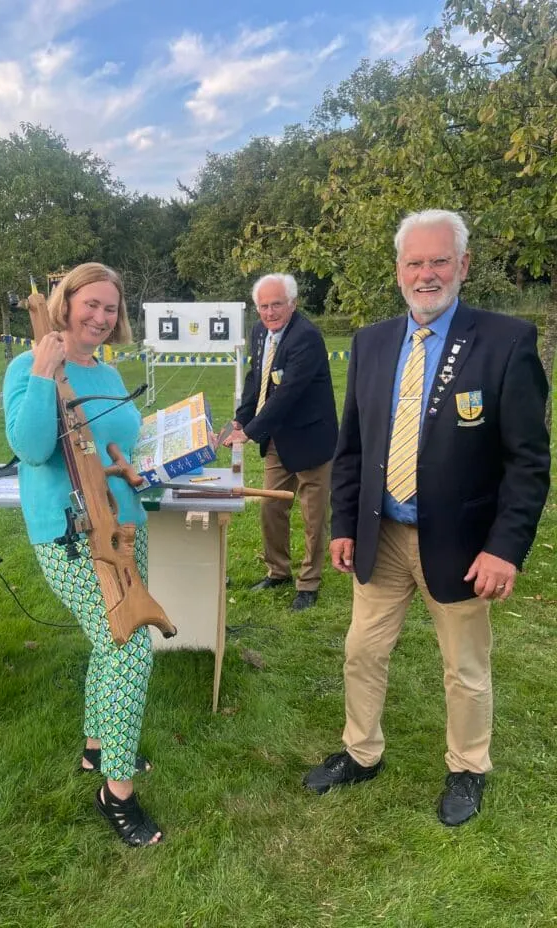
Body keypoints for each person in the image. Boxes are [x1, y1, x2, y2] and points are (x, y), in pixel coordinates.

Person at [304, 210, 551, 826]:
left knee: (464, 666)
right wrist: (341, 523)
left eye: (440, 260)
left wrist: (505, 548)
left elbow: (528, 462)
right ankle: (362, 752)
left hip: (464, 544)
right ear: (398, 271)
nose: (427, 273)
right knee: (362, 650)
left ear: (463, 266)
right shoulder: (371, 342)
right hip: (380, 534)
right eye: (415, 262)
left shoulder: (506, 341)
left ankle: (468, 768)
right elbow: (353, 445)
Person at [3, 262, 162, 847]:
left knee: (109, 641)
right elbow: (30, 446)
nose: (100, 317)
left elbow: (117, 440)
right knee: (128, 642)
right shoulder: (29, 367)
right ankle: (115, 793)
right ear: (65, 303)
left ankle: (99, 748)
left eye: (111, 308)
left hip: (123, 527)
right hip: (70, 534)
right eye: (90, 304)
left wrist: (132, 470)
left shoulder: (111, 373)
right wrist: (45, 372)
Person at [224, 273, 339, 611]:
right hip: (279, 438)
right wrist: (241, 418)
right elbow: (255, 381)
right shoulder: (260, 332)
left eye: (277, 304)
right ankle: (278, 572)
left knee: (313, 516)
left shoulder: (307, 338)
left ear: (293, 303)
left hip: (312, 439)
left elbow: (288, 394)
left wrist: (249, 432)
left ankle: (309, 584)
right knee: (271, 506)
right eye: (263, 306)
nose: (270, 312)